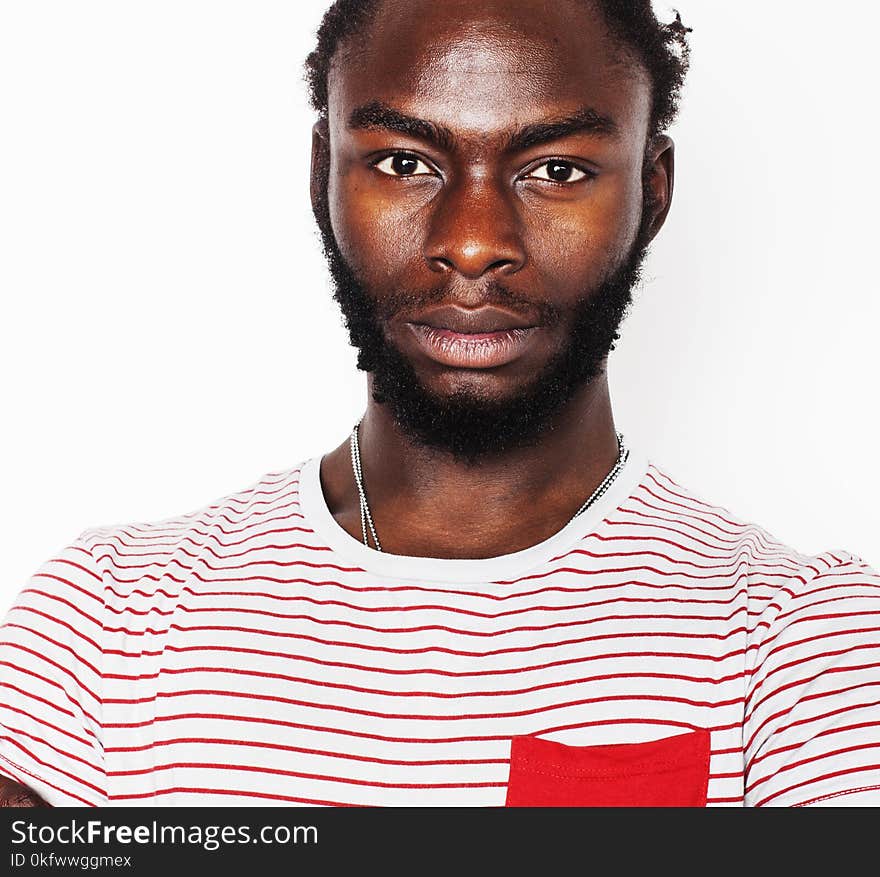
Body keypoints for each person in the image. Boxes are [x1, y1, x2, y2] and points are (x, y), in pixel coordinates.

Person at [2, 0, 878, 809]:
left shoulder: (806, 644)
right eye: (405, 162)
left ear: (650, 192)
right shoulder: (106, 619)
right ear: (322, 176)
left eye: (556, 169)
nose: (471, 243)